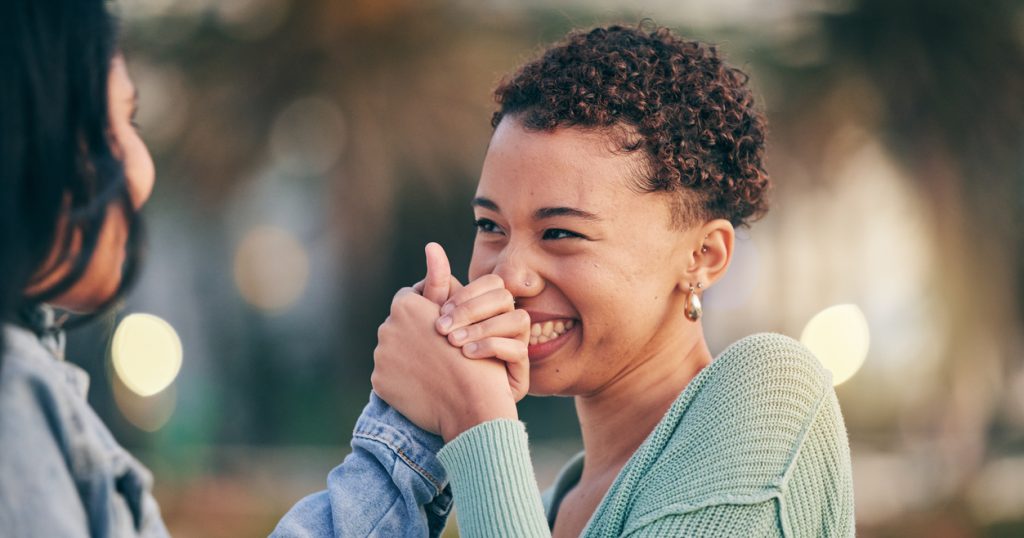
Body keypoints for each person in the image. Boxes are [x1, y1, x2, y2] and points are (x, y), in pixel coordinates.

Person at [277, 23, 855, 537]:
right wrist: (411, 424)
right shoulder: (545, 510)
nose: (509, 274)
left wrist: (475, 419)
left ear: (704, 254)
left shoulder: (774, 392)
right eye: (490, 225)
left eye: (560, 233)